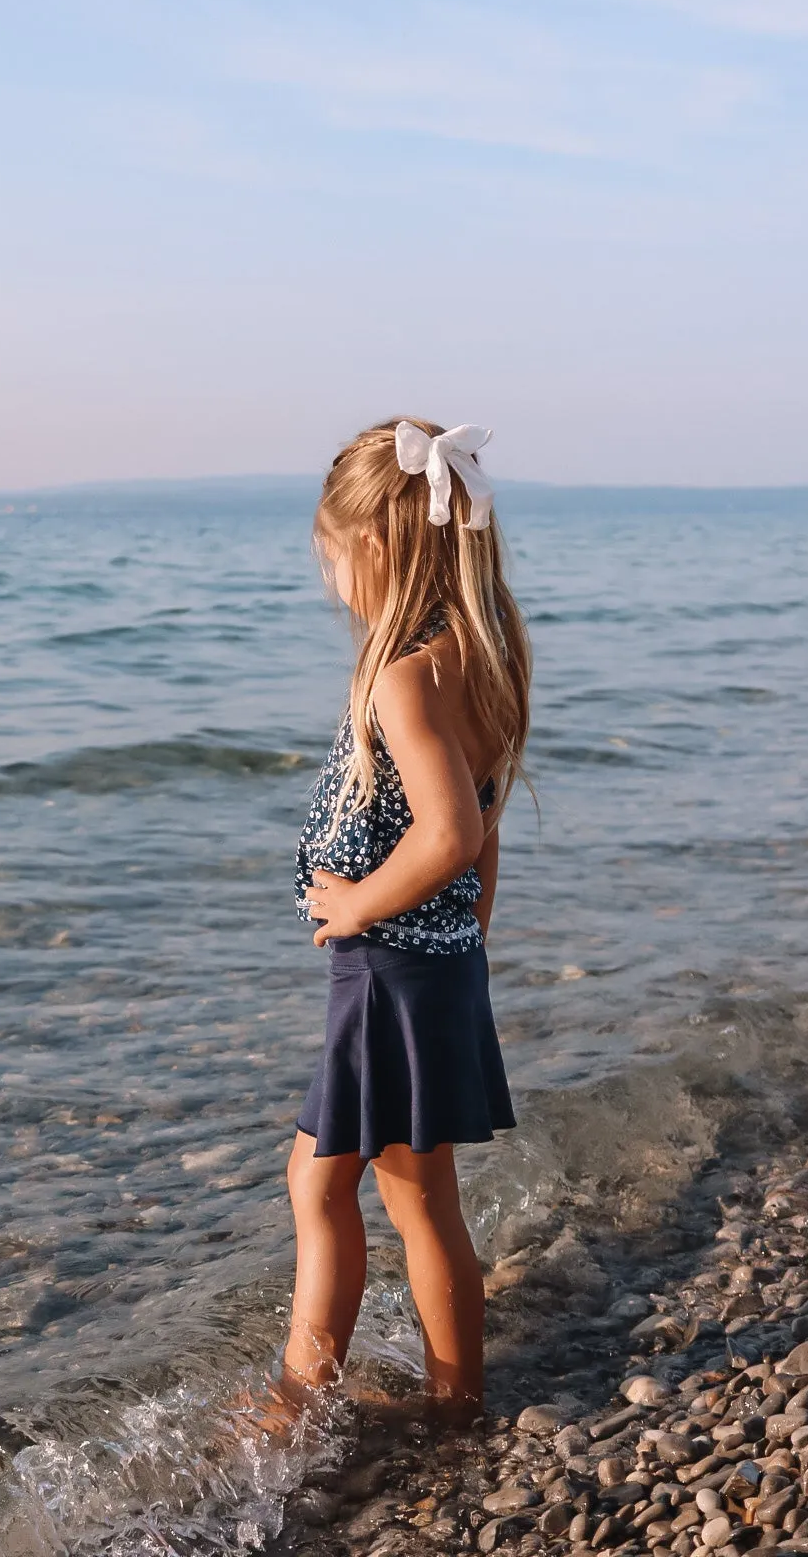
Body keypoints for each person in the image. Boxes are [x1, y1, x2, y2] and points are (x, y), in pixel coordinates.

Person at [285, 417, 531, 1417]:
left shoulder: (402, 678)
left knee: (337, 1191)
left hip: (387, 967)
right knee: (396, 1193)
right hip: (432, 963)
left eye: (334, 560)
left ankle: (306, 1403)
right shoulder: (477, 655)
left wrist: (351, 910)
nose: (334, 583)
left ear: (376, 550)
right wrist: (470, 935)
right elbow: (483, 827)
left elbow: (446, 833)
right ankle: (450, 1396)